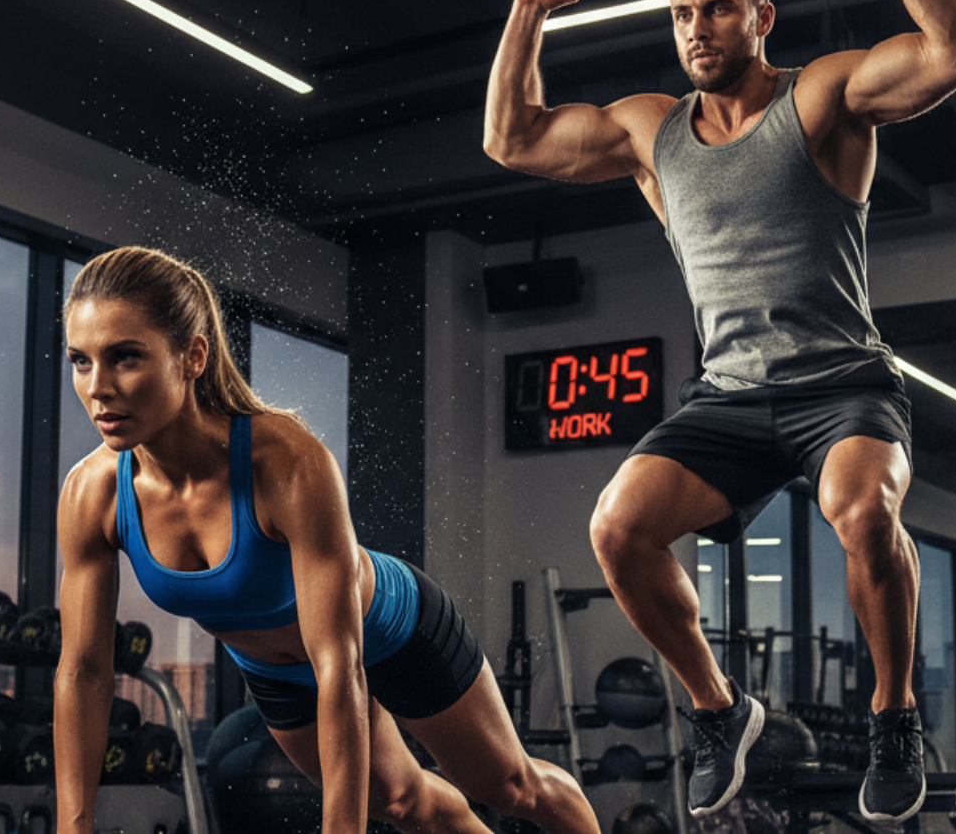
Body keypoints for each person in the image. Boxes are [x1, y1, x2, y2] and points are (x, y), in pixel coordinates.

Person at [484, 0, 956, 824]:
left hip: (843, 385)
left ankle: (894, 717)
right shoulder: (653, 130)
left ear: (763, 16)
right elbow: (511, 139)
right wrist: (528, 10)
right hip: (728, 397)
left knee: (863, 510)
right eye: (682, 14)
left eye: (718, 9)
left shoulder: (824, 96)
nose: (698, 30)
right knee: (617, 528)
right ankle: (722, 711)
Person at [54, 246, 600, 834]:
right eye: (80, 362)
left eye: (125, 357)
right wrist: (73, 824)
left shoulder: (285, 462)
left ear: (192, 356)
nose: (98, 387)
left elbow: (340, 663)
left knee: (511, 786)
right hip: (275, 672)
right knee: (400, 804)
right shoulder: (94, 494)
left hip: (390, 631)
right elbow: (84, 671)